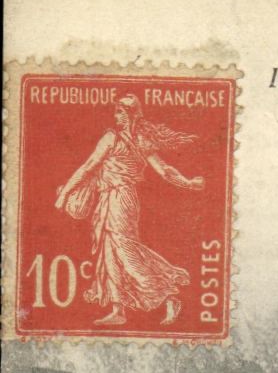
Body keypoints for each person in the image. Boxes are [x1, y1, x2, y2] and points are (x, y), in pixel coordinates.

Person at [54, 94, 205, 326]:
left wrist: (65, 194)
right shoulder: (139, 139)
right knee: (110, 251)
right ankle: (118, 309)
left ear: (128, 114)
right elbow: (165, 170)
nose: (116, 117)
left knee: (125, 251)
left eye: (119, 112)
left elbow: (88, 167)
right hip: (112, 197)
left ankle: (167, 295)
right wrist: (188, 182)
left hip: (120, 197)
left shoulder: (112, 138)